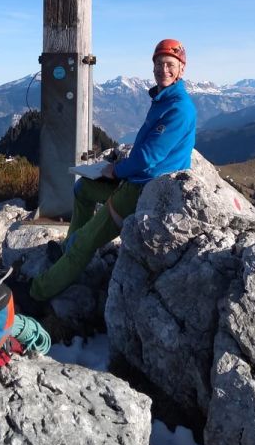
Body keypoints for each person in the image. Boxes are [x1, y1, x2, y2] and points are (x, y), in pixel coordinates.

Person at [28, 38, 197, 303]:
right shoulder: (164, 99)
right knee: (83, 189)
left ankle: (35, 293)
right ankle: (67, 251)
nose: (163, 69)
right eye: (159, 64)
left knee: (85, 242)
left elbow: (148, 157)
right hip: (136, 179)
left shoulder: (178, 108)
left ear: (181, 69)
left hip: (144, 191)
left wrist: (115, 171)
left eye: (170, 65)